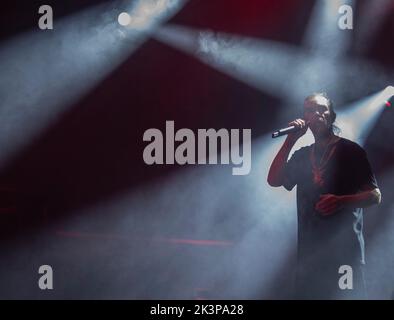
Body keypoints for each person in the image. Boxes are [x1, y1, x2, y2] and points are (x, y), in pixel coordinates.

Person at [267, 93, 381, 299]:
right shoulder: (302, 154)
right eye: (310, 110)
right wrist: (290, 141)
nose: (316, 114)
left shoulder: (351, 151)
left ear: (332, 116)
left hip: (344, 253)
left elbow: (374, 196)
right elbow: (274, 180)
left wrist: (341, 201)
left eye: (321, 109)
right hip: (310, 255)